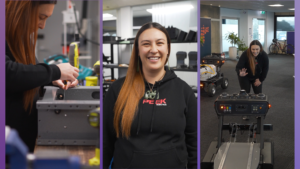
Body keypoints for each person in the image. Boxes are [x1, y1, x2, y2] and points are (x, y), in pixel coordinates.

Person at [103, 22, 197, 169]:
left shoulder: (184, 92)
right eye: (146, 44)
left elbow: (194, 143)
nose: (154, 50)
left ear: (167, 49)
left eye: (160, 43)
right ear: (138, 51)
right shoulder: (118, 90)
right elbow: (105, 141)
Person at [5, 0, 79, 152]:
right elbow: (8, 73)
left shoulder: (17, 37)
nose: (42, 25)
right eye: (40, 17)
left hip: (25, 142)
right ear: (22, 8)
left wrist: (52, 80)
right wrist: (55, 71)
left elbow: (29, 72)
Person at [236, 40, 269, 120]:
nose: (255, 51)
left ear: (260, 48)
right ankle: (245, 113)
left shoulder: (264, 55)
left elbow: (265, 69)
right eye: (253, 49)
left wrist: (260, 80)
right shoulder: (245, 54)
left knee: (258, 95)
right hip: (245, 76)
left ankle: (258, 112)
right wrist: (240, 73)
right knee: (245, 95)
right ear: (250, 48)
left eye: (257, 49)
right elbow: (238, 67)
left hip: (257, 77)